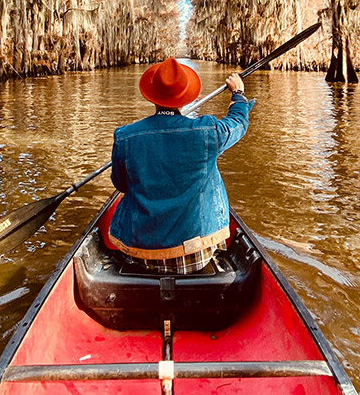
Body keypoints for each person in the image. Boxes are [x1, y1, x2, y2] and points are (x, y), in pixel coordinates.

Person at [108, 57, 255, 274]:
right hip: (196, 255)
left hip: (139, 254)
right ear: (184, 99)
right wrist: (238, 95)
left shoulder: (125, 136)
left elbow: (120, 185)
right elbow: (238, 123)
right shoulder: (207, 131)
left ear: (152, 96)